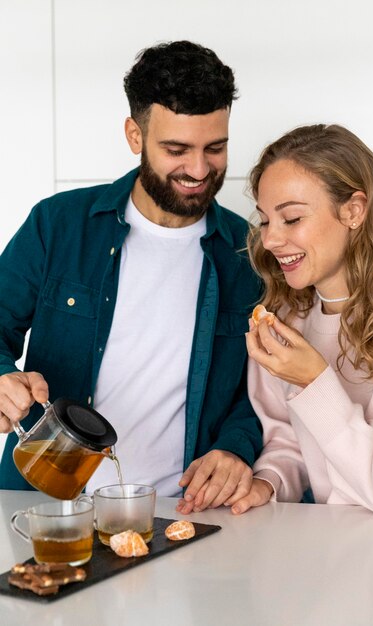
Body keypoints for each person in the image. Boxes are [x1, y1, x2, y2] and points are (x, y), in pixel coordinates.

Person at [0, 40, 263, 514]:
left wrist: (236, 447)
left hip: (183, 511)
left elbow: (266, 391)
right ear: (134, 136)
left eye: (216, 148)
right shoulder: (57, 224)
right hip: (41, 502)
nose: (199, 169)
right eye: (177, 149)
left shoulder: (250, 254)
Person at [229, 123, 373, 518]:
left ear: (353, 210)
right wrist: (269, 481)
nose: (271, 240)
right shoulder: (288, 321)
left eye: (291, 219)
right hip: (333, 550)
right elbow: (290, 442)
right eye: (264, 221)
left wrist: (314, 381)